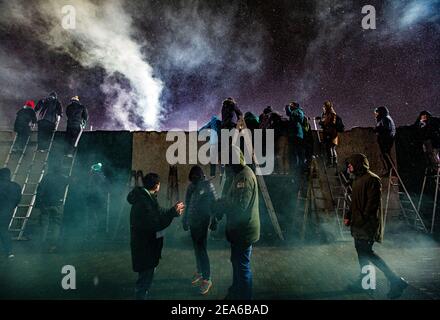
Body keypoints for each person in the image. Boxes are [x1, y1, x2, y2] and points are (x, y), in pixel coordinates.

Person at [344, 153, 408, 299]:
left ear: (358, 164)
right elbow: (354, 202)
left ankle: (395, 280)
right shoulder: (357, 180)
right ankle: (366, 282)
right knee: (362, 254)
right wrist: (349, 216)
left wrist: (359, 220)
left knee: (367, 253)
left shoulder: (372, 179)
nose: (348, 167)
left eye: (351, 164)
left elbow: (371, 205)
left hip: (367, 225)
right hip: (358, 224)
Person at [127, 172, 184, 300]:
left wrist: (172, 210)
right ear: (157, 185)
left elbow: (158, 211)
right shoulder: (145, 201)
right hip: (145, 246)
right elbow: (155, 223)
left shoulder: (146, 197)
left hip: (145, 245)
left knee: (145, 276)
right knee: (144, 280)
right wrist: (172, 214)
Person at [214, 146, 260, 300]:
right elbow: (232, 199)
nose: (225, 167)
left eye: (227, 164)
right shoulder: (238, 175)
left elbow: (240, 207)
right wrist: (222, 202)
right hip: (238, 231)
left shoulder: (244, 178)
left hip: (244, 231)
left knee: (242, 266)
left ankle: (245, 300)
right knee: (237, 262)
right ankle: (236, 291)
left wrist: (222, 205)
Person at [182, 166, 218, 295]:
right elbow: (187, 203)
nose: (193, 182)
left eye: (195, 180)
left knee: (202, 249)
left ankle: (207, 279)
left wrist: (214, 220)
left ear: (201, 177)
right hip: (193, 222)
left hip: (203, 222)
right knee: (197, 248)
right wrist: (184, 219)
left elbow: (215, 204)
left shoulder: (208, 185)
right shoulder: (191, 186)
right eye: (192, 180)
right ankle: (200, 271)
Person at [35, 165, 68, 253]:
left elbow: (40, 190)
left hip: (46, 203)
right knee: (56, 225)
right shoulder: (64, 179)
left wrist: (38, 203)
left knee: (44, 224)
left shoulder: (47, 178)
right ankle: (53, 246)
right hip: (58, 204)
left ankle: (42, 244)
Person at [0, 168, 21, 259]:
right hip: (8, 212)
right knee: (4, 230)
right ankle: (8, 252)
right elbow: (18, 199)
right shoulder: (16, 186)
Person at [85, 163, 109, 239]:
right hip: (94, 199)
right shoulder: (97, 176)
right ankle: (91, 233)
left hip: (95, 199)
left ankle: (93, 234)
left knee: (93, 217)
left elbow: (101, 186)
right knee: (92, 217)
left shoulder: (98, 176)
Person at [374, 106, 396, 176]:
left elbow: (385, 129)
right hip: (387, 139)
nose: (376, 114)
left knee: (386, 155)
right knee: (385, 155)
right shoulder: (385, 118)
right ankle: (390, 170)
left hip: (386, 140)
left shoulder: (385, 119)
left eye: (377, 113)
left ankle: (391, 170)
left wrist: (377, 129)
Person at [318, 101, 340, 168]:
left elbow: (329, 123)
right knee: (332, 148)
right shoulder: (329, 113)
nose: (323, 108)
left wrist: (322, 122)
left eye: (324, 106)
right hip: (332, 133)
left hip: (330, 133)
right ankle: (335, 162)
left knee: (329, 148)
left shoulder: (330, 114)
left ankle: (331, 162)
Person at [285, 101, 305, 172]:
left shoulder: (298, 111)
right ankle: (296, 167)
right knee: (294, 152)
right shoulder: (296, 111)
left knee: (298, 152)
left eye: (291, 105)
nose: (290, 106)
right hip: (294, 134)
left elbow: (289, 113)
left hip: (297, 134)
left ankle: (299, 168)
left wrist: (287, 107)